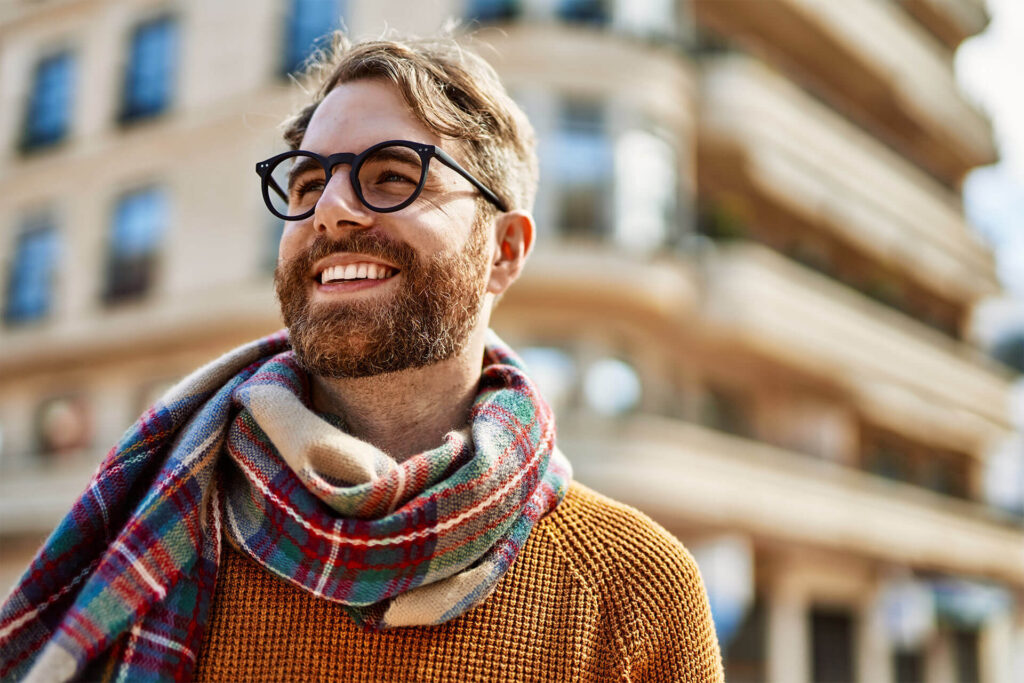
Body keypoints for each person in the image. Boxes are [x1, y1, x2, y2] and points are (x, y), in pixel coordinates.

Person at [0, 34, 724, 683]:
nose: (329, 210)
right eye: (308, 182)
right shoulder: (150, 530)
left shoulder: (634, 591)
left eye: (392, 175)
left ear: (504, 251)